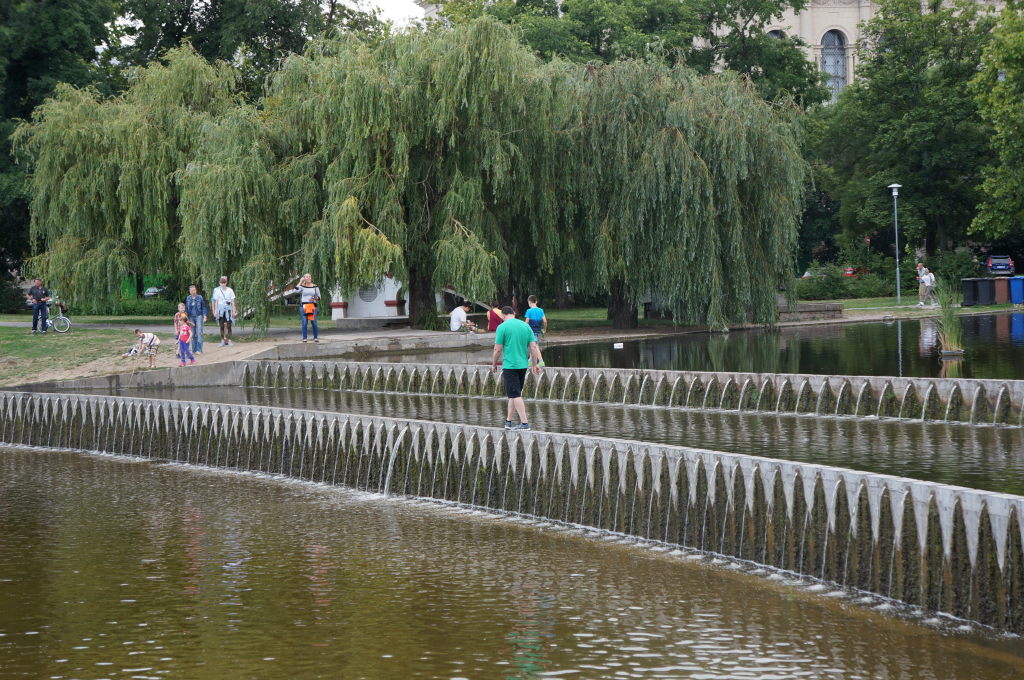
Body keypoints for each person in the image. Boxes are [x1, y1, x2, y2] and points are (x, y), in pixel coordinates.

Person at [492, 306, 543, 431]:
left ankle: (525, 423)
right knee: (514, 394)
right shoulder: (526, 326)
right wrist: (535, 364)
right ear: (514, 314)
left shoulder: (502, 327)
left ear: (503, 315)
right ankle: (508, 421)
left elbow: (497, 349)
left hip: (510, 366)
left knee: (515, 394)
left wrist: (494, 364)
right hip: (523, 365)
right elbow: (534, 347)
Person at [212, 276, 237, 347]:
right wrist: (215, 311)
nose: (223, 284)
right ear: (220, 283)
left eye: (224, 283)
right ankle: (222, 340)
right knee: (221, 325)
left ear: (226, 283)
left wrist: (234, 310)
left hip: (228, 308)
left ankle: (230, 340)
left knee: (229, 325)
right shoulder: (217, 291)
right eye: (222, 283)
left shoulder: (230, 290)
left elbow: (232, 300)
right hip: (221, 309)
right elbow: (216, 301)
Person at [298, 273, 321, 343]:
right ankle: (305, 338)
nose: (308, 278)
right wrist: (300, 282)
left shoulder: (315, 286)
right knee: (304, 322)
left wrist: (314, 298)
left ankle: (315, 337)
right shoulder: (302, 287)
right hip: (304, 306)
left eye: (309, 277)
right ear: (304, 278)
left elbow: (319, 296)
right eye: (307, 277)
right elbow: (295, 291)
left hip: (312, 306)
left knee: (314, 322)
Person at [185, 285, 207, 354]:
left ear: (196, 290)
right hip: (191, 317)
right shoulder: (188, 298)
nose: (193, 292)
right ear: (189, 291)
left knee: (199, 333)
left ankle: (199, 349)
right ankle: (193, 349)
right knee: (192, 333)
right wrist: (186, 317)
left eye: (194, 290)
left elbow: (203, 307)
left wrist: (204, 316)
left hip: (198, 316)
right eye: (191, 291)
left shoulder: (199, 297)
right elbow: (186, 309)